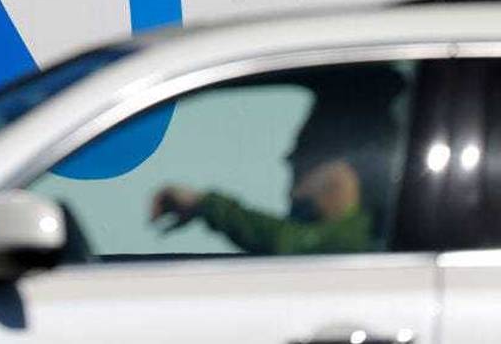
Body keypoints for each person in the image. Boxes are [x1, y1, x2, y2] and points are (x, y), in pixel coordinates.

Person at [150, 67, 404, 256]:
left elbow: (289, 241)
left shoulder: (361, 243)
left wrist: (204, 204)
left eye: (306, 147)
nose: (289, 158)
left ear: (343, 171)